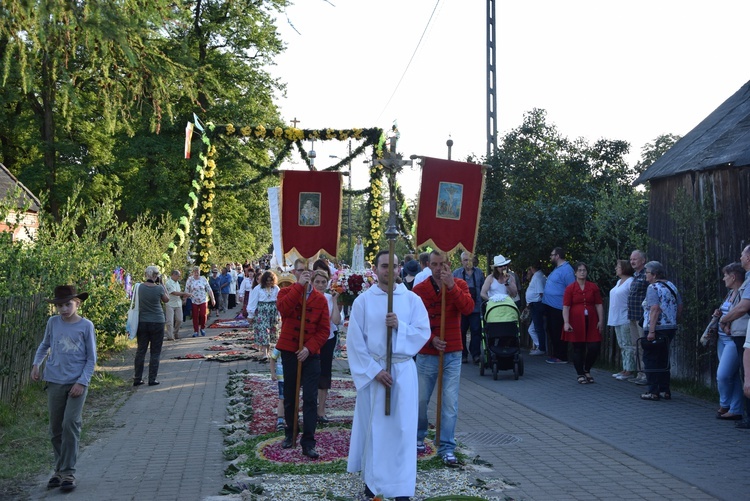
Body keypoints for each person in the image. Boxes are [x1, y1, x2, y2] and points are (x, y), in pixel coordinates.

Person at [347, 250, 430, 501]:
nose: (389, 271)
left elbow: (422, 332)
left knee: (403, 431)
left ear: (399, 269)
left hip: (403, 373)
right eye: (384, 266)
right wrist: (375, 371)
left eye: (393, 266)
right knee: (376, 431)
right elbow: (355, 343)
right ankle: (374, 485)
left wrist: (399, 327)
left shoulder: (412, 300)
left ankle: (402, 487)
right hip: (375, 374)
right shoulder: (363, 301)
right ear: (376, 269)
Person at [31, 285, 96, 492]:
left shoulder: (86, 326)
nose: (64, 309)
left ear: (77, 303)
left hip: (77, 382)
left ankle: (68, 472)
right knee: (55, 428)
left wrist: (82, 382)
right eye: (59, 305)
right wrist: (36, 364)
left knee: (71, 424)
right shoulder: (53, 323)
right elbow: (45, 345)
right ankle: (59, 471)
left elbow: (91, 358)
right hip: (54, 380)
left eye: (68, 304)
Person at [413, 250, 474, 466]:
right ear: (428, 265)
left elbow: (468, 308)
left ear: (448, 264)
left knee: (450, 403)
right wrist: (431, 339)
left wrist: (451, 286)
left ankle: (447, 446)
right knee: (420, 400)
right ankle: (418, 437)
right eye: (435, 264)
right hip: (428, 353)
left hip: (453, 351)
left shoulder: (459, 285)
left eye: (442, 264)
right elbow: (414, 322)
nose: (439, 268)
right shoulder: (419, 290)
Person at [275, 259, 330, 459]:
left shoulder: (321, 299)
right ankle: (290, 433)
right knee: (289, 395)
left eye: (307, 271)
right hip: (289, 350)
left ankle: (309, 441)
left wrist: (309, 348)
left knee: (309, 398)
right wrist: (298, 287)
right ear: (295, 272)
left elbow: (324, 330)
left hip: (310, 354)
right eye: (300, 271)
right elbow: (285, 310)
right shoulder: (285, 292)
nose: (304, 274)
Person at [640, 261, 682, 401]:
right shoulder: (672, 286)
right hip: (670, 328)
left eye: (647, 272)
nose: (645, 275)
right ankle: (665, 390)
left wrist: (651, 331)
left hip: (656, 329)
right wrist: (673, 320)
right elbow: (679, 306)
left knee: (650, 358)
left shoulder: (653, 287)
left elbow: (654, 309)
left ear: (654, 274)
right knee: (663, 359)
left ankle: (653, 391)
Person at [719, 245, 750, 428]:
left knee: (746, 374)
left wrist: (724, 320)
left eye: (742, 255)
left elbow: (743, 307)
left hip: (743, 333)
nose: (740, 257)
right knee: (743, 374)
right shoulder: (746, 279)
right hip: (738, 333)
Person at [712, 262, 746, 419]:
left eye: (725, 275)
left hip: (732, 339)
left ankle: (724, 404)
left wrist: (725, 323)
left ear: (733, 277)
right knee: (732, 375)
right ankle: (735, 409)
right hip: (722, 339)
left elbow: (739, 314)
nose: (723, 278)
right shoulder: (730, 293)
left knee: (723, 375)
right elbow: (727, 312)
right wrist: (719, 314)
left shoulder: (742, 293)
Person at [562, 262, 604, 384]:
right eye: (579, 270)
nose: (582, 272)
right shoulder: (570, 288)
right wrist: (566, 322)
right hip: (576, 321)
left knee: (594, 347)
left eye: (584, 270)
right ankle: (580, 373)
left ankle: (587, 369)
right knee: (578, 348)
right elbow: (566, 306)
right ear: (575, 272)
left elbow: (598, 304)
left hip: (591, 320)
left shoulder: (593, 287)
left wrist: (601, 320)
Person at [311, 269, 341, 423]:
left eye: (324, 282)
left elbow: (335, 321)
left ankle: (321, 410)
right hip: (310, 341)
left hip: (327, 340)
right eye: (317, 282)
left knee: (324, 374)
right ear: (312, 283)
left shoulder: (330, 298)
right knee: (310, 374)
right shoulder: (308, 297)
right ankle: (310, 407)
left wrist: (335, 301)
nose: (321, 285)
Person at [133, 266, 170, 387]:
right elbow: (167, 299)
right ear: (156, 276)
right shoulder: (159, 288)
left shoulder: (138, 287)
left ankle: (137, 378)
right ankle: (152, 379)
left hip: (142, 322)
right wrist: (162, 284)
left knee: (141, 351)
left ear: (146, 274)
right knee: (155, 352)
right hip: (157, 322)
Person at [542, 247, 575, 364]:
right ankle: (556, 354)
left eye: (552, 255)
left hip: (558, 307)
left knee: (557, 331)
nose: (550, 257)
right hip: (550, 306)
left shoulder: (567, 270)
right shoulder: (557, 269)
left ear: (557, 256)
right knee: (551, 330)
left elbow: (571, 288)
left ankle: (562, 356)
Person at [453, 251, 485, 364]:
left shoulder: (479, 273)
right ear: (461, 261)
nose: (468, 262)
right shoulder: (456, 273)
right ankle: (463, 354)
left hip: (475, 307)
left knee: (476, 331)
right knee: (461, 331)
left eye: (470, 260)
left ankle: (475, 353)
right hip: (461, 308)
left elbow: (482, 288)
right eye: (465, 260)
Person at [608, 260, 635, 380]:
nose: (616, 268)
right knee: (622, 344)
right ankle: (625, 368)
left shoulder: (630, 281)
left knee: (628, 344)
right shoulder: (619, 281)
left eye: (618, 266)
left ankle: (630, 370)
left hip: (625, 318)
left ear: (624, 268)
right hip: (616, 317)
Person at [247, 270, 281, 360]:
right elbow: (253, 302)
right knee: (263, 331)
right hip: (262, 312)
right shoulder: (258, 289)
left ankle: (269, 351)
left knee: (272, 332)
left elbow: (279, 302)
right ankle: (265, 353)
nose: (269, 282)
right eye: (267, 280)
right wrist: (250, 315)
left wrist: (280, 315)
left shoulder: (276, 288)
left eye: (271, 280)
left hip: (272, 312)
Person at [627, 250, 649, 385]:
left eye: (635, 259)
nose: (632, 261)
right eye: (631, 259)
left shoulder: (647, 275)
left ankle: (646, 374)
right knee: (635, 346)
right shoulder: (635, 276)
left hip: (642, 317)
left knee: (643, 346)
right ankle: (640, 373)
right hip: (632, 316)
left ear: (643, 260)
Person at [185, 266, 216, 337]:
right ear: (193, 272)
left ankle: (202, 328)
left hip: (203, 299)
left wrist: (213, 299)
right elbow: (186, 289)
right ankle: (196, 331)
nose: (196, 273)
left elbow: (209, 289)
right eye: (195, 272)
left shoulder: (203, 279)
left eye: (198, 272)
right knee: (195, 316)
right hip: (194, 299)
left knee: (203, 314)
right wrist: (185, 299)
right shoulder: (190, 280)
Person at [525, 262, 547, 355]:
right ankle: (539, 346)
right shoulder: (538, 276)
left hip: (537, 304)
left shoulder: (538, 277)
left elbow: (541, 292)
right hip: (535, 304)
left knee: (538, 327)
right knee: (533, 328)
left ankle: (541, 348)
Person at [164, 270, 190, 341]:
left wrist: (184, 297)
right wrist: (185, 294)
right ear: (173, 275)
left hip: (178, 303)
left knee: (179, 319)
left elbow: (178, 293)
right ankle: (170, 336)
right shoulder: (168, 283)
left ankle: (175, 332)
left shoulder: (177, 282)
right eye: (178, 276)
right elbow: (174, 292)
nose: (179, 277)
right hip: (170, 303)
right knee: (170, 321)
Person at [269, 344, 286, 431]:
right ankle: (280, 420)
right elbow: (272, 358)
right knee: (282, 398)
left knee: (293, 398)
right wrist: (273, 373)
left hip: (292, 376)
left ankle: (291, 417)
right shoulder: (280, 345)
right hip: (282, 377)